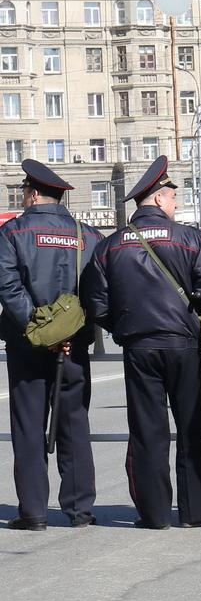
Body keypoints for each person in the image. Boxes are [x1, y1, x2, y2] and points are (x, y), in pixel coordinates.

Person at [81, 156, 201, 530]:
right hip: (183, 344)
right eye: (174, 197)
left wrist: (125, 326)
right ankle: (195, 512)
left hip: (139, 347)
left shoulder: (110, 245)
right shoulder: (191, 239)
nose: (176, 205)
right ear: (159, 199)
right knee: (191, 426)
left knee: (147, 431)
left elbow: (96, 303)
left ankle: (155, 513)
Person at [0, 160, 103, 529]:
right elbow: (98, 292)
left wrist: (36, 329)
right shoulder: (89, 235)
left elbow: (8, 287)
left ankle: (34, 512)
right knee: (74, 422)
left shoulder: (12, 233)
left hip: (27, 346)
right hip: (72, 346)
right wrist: (72, 331)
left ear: (31, 192)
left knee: (29, 425)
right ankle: (79, 511)